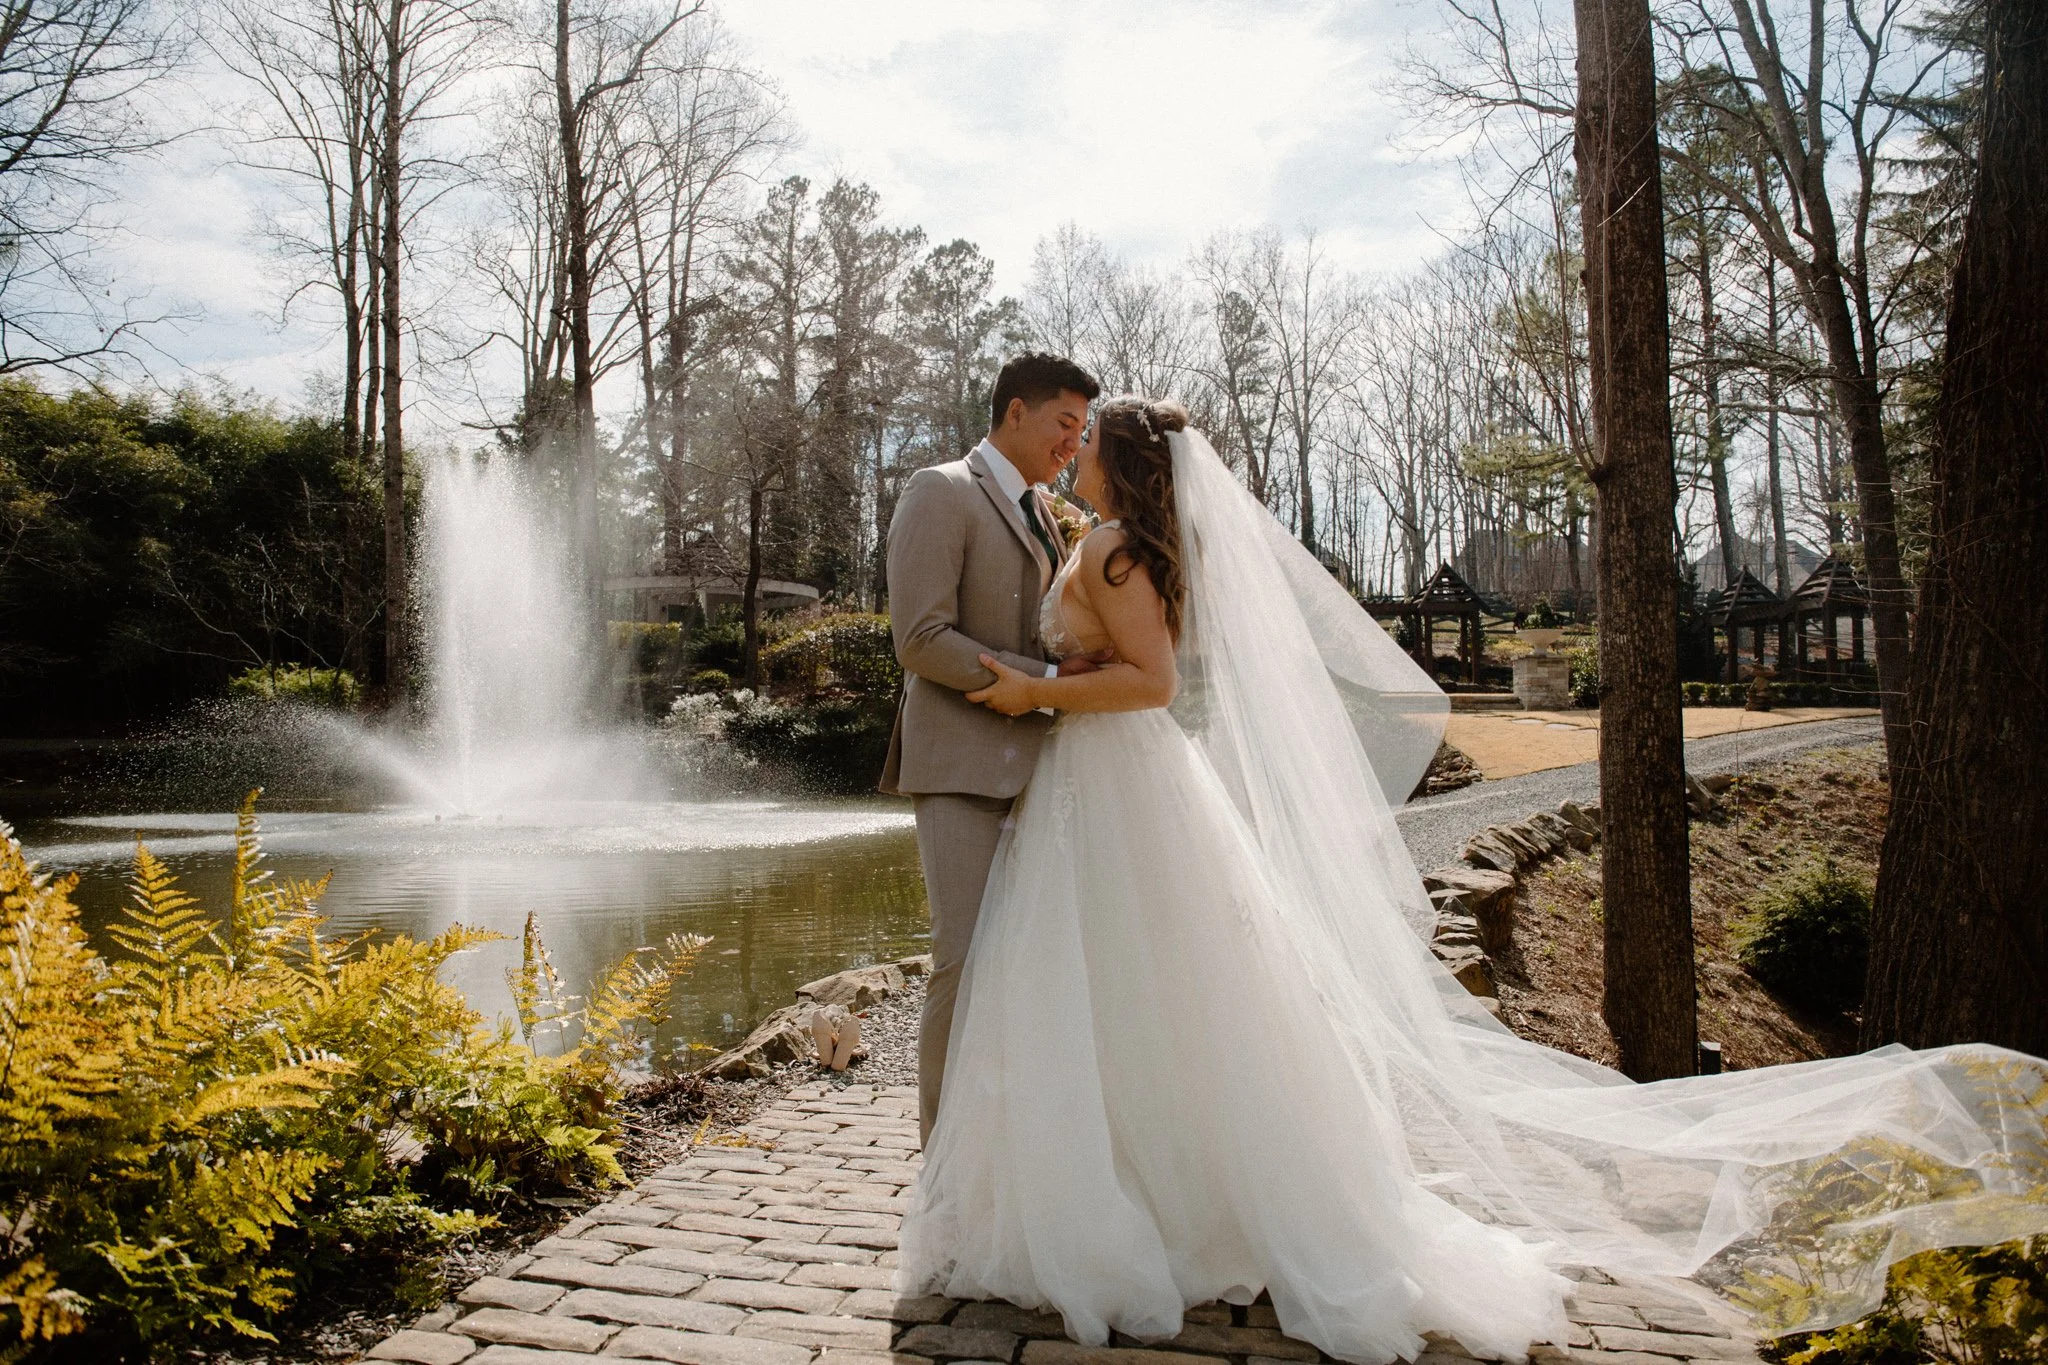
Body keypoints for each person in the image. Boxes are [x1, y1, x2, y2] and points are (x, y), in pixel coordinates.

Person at [894, 396, 2048, 1365]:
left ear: (1122, 461)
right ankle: (1136, 1181)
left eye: (1089, 433)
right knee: (1137, 994)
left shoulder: (1111, 552)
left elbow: (1144, 686)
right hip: (1102, 792)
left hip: (1115, 781)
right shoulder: (1118, 544)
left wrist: (1030, 692)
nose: (1073, 442)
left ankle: (1145, 1200)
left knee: (1133, 989)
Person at [881, 351, 1106, 1145]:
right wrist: (1045, 677)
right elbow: (919, 638)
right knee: (965, 961)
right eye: (1064, 423)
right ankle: (943, 1158)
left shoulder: (1045, 511)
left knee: (1029, 966)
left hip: (1039, 769)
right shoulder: (939, 491)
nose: (1073, 443)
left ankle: (1008, 1155)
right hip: (960, 769)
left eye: (1082, 429)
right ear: (1016, 411)